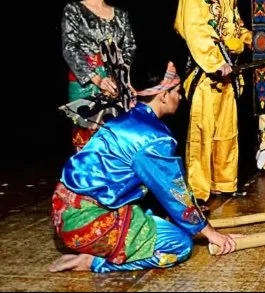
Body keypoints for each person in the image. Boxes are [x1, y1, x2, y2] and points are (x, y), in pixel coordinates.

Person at [48, 61, 237, 273]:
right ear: (164, 95)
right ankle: (94, 262)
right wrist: (213, 235)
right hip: (86, 222)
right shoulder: (154, 139)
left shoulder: (128, 119)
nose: (181, 97)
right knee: (180, 245)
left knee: (165, 218)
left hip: (65, 208)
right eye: (177, 91)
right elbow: (175, 194)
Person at [174, 0, 252, 203]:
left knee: (227, 130)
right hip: (207, 71)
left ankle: (224, 183)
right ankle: (198, 190)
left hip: (231, 69)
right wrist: (214, 61)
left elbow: (235, 24)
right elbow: (193, 28)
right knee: (202, 131)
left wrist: (249, 38)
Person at [61, 0, 137, 151]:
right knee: (87, 139)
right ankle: (85, 180)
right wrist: (97, 79)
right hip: (85, 82)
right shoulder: (74, 10)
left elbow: (129, 47)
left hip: (115, 83)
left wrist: (122, 79)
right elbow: (70, 48)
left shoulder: (121, 15)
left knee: (116, 140)